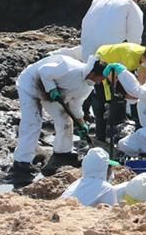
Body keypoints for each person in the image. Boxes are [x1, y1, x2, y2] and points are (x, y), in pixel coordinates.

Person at [10, 55, 106, 184]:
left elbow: (76, 104)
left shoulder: (88, 86)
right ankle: (22, 161)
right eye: (99, 79)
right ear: (93, 73)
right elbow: (44, 71)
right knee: (33, 122)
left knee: (65, 120)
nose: (99, 82)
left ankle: (63, 152)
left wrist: (81, 123)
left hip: (53, 94)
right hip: (32, 84)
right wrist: (51, 88)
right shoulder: (69, 68)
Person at [92, 41, 146, 144]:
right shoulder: (130, 56)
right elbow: (116, 78)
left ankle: (116, 130)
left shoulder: (145, 59)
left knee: (123, 97)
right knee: (105, 98)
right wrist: (125, 94)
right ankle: (101, 137)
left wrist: (142, 96)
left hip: (120, 65)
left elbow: (141, 82)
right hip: (104, 59)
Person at [80, 0, 144, 61]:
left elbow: (85, 22)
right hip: (107, 56)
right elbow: (135, 34)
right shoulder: (130, 4)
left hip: (86, 53)